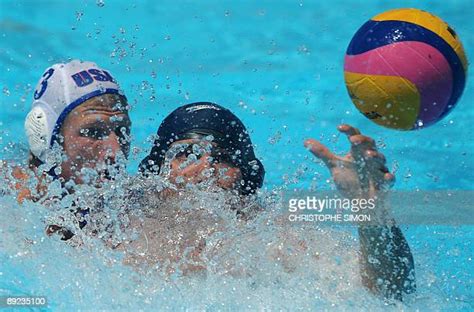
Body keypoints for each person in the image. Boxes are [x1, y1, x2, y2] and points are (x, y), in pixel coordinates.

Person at [138, 102, 415, 300]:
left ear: (247, 178)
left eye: (223, 158)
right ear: (156, 171)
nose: (206, 170)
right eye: (188, 153)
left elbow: (391, 293)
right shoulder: (125, 236)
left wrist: (372, 213)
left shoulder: (281, 242)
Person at [2, 60, 132, 238]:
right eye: (93, 132)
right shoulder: (8, 204)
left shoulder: (133, 215)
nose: (115, 151)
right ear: (46, 138)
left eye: (121, 131)